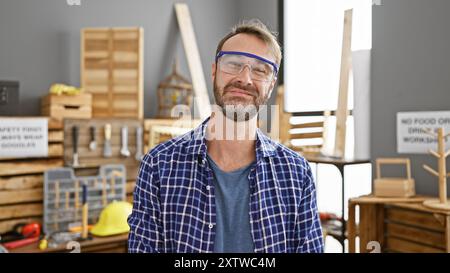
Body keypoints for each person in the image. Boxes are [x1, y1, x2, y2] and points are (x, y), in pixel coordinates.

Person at [128, 19, 324, 253]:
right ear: (214, 71)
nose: (245, 79)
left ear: (271, 85)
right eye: (234, 64)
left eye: (260, 70)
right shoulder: (159, 166)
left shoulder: (296, 173)